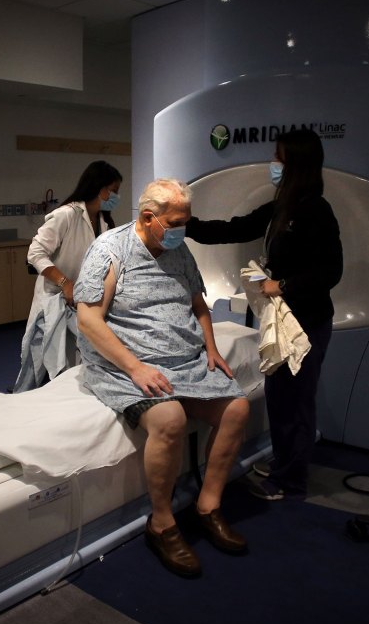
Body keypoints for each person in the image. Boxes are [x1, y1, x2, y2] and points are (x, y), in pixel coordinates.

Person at [74, 178, 250, 578]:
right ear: (149, 218)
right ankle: (162, 523)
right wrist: (135, 367)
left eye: (185, 221)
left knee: (237, 409)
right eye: (176, 222)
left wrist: (211, 347)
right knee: (169, 419)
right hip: (125, 362)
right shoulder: (111, 251)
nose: (183, 230)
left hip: (183, 358)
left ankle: (208, 505)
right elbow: (88, 320)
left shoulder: (178, 248)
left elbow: (199, 305)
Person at [184, 127, 343, 501]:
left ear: (295, 163)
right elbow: (235, 229)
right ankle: (283, 462)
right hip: (279, 319)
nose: (273, 163)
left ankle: (291, 481)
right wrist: (184, 225)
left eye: (278, 156)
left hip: (305, 322)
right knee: (278, 395)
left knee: (296, 400)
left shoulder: (316, 210)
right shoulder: (281, 205)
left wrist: (283, 285)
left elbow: (330, 272)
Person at [14, 161, 123, 392]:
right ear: (101, 188)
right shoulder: (67, 215)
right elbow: (35, 253)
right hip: (54, 298)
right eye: (114, 190)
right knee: (39, 363)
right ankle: (20, 402)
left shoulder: (104, 222)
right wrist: (64, 283)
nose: (116, 196)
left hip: (81, 301)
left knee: (73, 364)